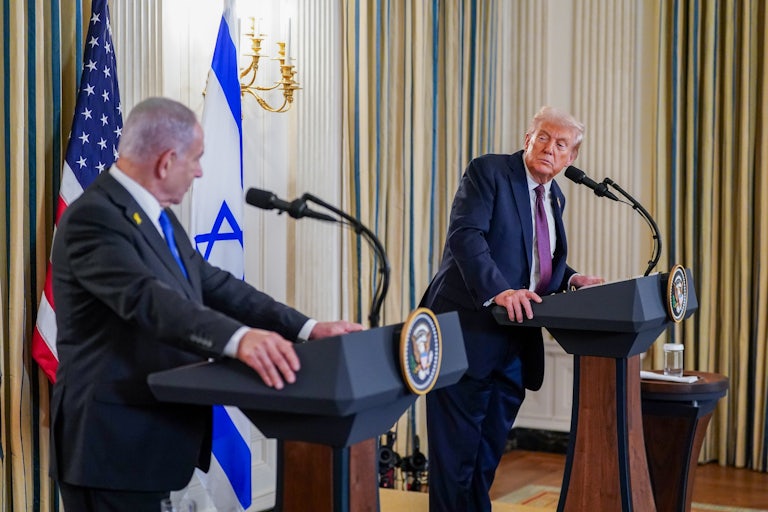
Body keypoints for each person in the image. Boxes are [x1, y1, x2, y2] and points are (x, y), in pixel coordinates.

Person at [49, 97, 363, 512]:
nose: (199, 171)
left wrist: (307, 328)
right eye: (195, 159)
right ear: (166, 161)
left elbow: (215, 284)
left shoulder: (157, 217)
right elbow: (148, 300)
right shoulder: (95, 218)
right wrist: (238, 339)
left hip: (150, 436)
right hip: (111, 442)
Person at [420, 106, 604, 511]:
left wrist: (571, 278)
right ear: (527, 138)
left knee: (485, 455)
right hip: (466, 330)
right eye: (542, 137)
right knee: (456, 456)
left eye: (560, 144)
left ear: (571, 158)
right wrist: (500, 291)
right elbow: (467, 237)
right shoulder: (489, 172)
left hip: (515, 341)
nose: (549, 148)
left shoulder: (553, 196)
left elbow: (536, 260)